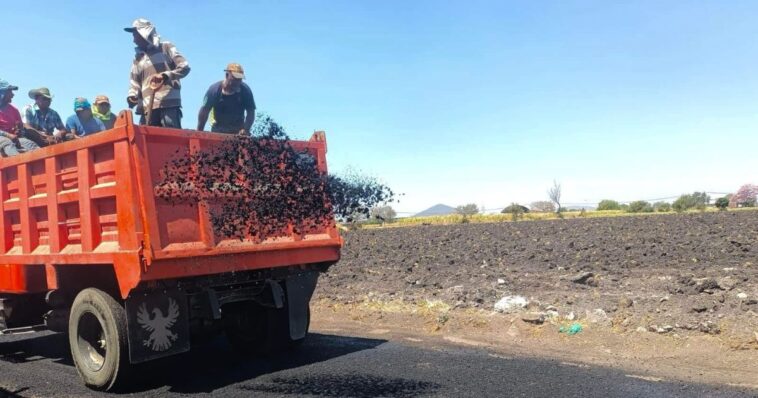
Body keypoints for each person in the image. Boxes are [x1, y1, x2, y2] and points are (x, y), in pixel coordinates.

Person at [125, 18, 190, 128]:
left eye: (135, 35)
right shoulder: (138, 59)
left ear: (143, 33)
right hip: (147, 110)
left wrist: (165, 76)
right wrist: (132, 96)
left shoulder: (165, 47)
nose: (134, 40)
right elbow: (134, 84)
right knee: (147, 143)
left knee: (171, 141)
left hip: (168, 105)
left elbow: (184, 67)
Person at [197, 63, 256, 135]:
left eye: (240, 79)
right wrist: (199, 132)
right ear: (227, 75)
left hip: (238, 131)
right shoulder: (214, 90)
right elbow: (204, 112)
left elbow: (251, 112)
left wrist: (246, 129)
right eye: (235, 79)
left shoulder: (245, 90)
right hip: (218, 129)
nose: (237, 82)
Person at [0, 79, 39, 156]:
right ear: (2, 93)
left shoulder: (14, 110)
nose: (12, 95)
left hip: (15, 138)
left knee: (30, 144)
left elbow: (21, 128)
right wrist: (8, 135)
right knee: (7, 143)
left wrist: (19, 131)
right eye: (10, 92)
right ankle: (17, 161)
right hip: (4, 138)